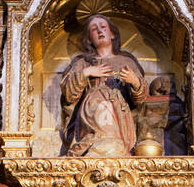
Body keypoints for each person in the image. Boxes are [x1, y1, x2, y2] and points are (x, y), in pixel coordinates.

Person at [60, 14, 147, 156]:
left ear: (112, 34)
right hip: (91, 111)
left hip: (119, 113)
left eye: (103, 27)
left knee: (115, 144)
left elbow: (141, 99)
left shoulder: (126, 61)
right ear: (89, 39)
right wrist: (87, 72)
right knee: (99, 130)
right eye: (94, 29)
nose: (100, 31)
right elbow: (69, 95)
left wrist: (134, 81)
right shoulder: (82, 62)